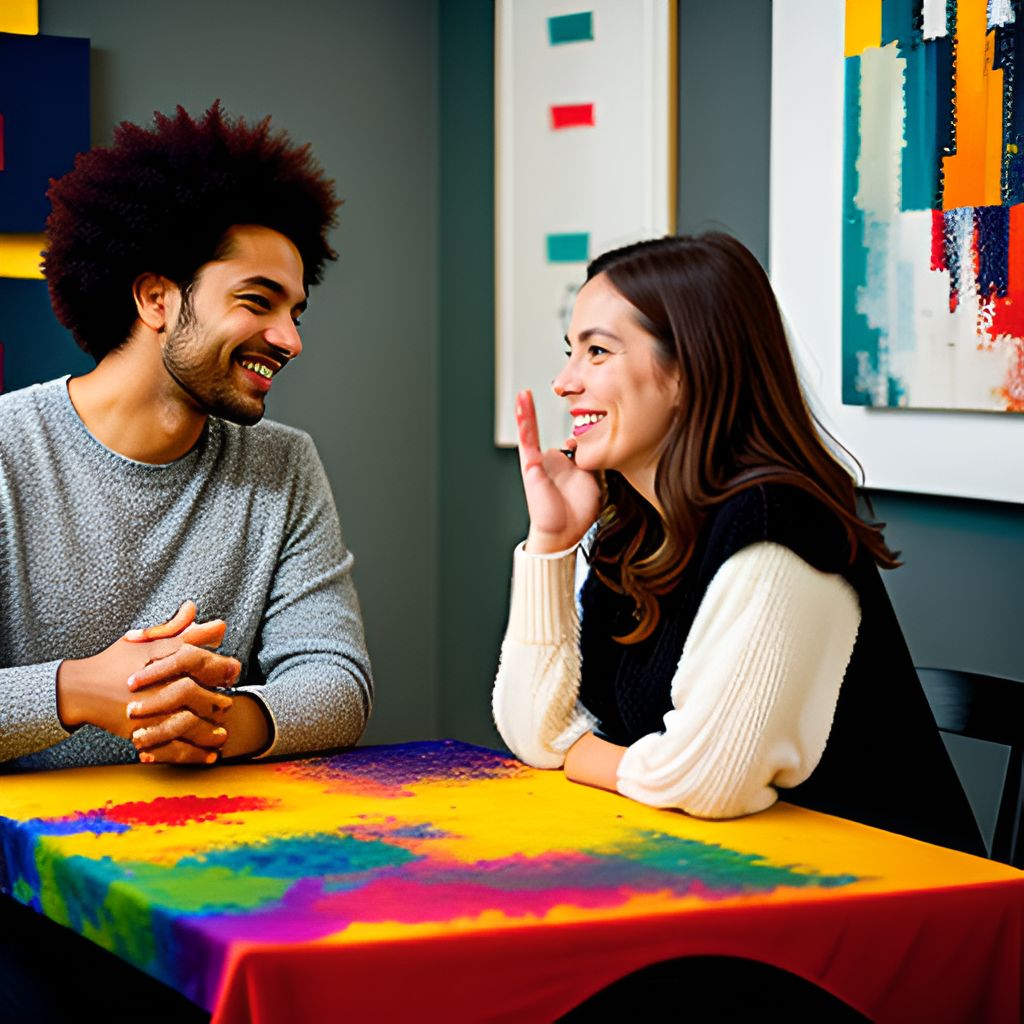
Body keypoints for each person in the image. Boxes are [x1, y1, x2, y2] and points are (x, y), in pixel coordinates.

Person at [493, 232, 983, 856]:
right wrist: (552, 543)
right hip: (724, 874)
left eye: (596, 352)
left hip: (886, 901)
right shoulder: (634, 531)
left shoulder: (779, 523)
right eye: (571, 351)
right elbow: (534, 732)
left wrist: (582, 753)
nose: (564, 383)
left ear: (689, 370)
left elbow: (704, 780)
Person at [0, 103, 372, 771]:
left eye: (294, 312)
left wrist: (214, 720)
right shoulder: (7, 449)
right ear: (156, 299)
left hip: (209, 856)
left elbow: (337, 681)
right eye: (257, 302)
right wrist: (78, 691)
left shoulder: (284, 466)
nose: (290, 340)